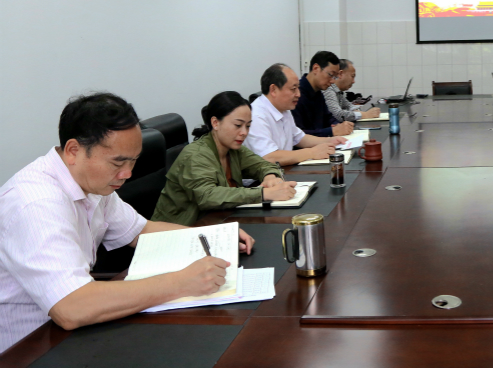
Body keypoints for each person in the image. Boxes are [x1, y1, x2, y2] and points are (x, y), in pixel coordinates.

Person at [0, 93, 254, 352]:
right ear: (74, 151)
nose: (128, 173)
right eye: (118, 162)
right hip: (29, 349)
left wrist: (217, 235)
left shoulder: (93, 184)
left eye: (133, 160)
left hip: (74, 334)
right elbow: (71, 307)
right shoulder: (35, 204)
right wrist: (181, 282)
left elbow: (142, 230)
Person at [153, 92, 299, 226]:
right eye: (238, 125)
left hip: (219, 221)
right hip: (178, 231)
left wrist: (270, 177)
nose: (244, 132)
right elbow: (208, 196)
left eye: (248, 126)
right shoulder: (195, 155)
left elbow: (263, 165)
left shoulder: (233, 149)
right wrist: (263, 193)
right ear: (215, 123)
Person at [245, 63, 347, 166]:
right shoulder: (256, 116)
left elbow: (299, 138)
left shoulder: (284, 109)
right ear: (273, 90)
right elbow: (269, 157)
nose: (298, 94)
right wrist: (312, 152)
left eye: (298, 88)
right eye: (293, 89)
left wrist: (329, 140)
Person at [292, 51, 355, 137]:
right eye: (331, 75)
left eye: (335, 77)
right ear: (316, 68)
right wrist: (332, 131)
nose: (333, 81)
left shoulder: (318, 92)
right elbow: (298, 136)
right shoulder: (296, 95)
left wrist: (338, 125)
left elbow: (328, 117)